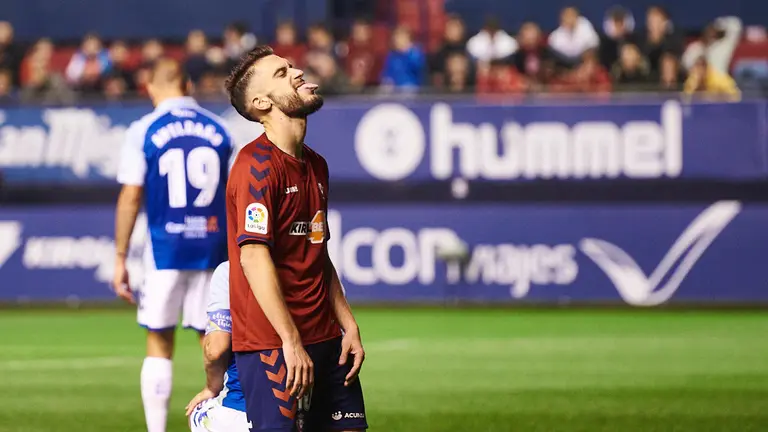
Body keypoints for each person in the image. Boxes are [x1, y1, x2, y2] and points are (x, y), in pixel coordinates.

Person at [223, 45, 367, 432]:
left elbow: (318, 254)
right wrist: (289, 340)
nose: (298, 72)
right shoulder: (255, 167)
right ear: (261, 103)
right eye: (282, 73)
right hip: (274, 344)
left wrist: (348, 325)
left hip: (326, 338)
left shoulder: (316, 164)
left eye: (291, 66)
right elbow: (253, 258)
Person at [113, 58, 233, 432]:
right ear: (188, 85)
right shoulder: (221, 129)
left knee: (159, 339)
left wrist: (120, 256)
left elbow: (131, 195)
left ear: (150, 87)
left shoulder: (143, 130)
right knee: (215, 338)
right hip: (213, 248)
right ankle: (227, 422)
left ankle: (157, 429)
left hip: (165, 250)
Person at [186, 261, 250, 432]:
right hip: (302, 408)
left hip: (240, 409)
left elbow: (215, 350)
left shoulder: (229, 270)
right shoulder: (305, 268)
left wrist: (211, 388)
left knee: (198, 410)